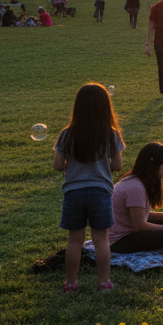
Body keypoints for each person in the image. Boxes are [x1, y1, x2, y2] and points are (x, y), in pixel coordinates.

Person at [52, 83, 126, 294]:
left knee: (74, 240)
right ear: (105, 107)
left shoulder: (67, 133)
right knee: (101, 239)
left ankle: (72, 284)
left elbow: (58, 165)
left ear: (78, 106)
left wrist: (71, 165)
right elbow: (118, 165)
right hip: (100, 191)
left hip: (73, 193)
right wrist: (103, 165)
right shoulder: (111, 134)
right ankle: (104, 283)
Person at [109, 142, 163, 254]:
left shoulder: (138, 181)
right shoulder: (135, 187)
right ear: (154, 166)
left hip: (130, 231)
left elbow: (138, 215)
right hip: (119, 241)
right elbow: (140, 225)